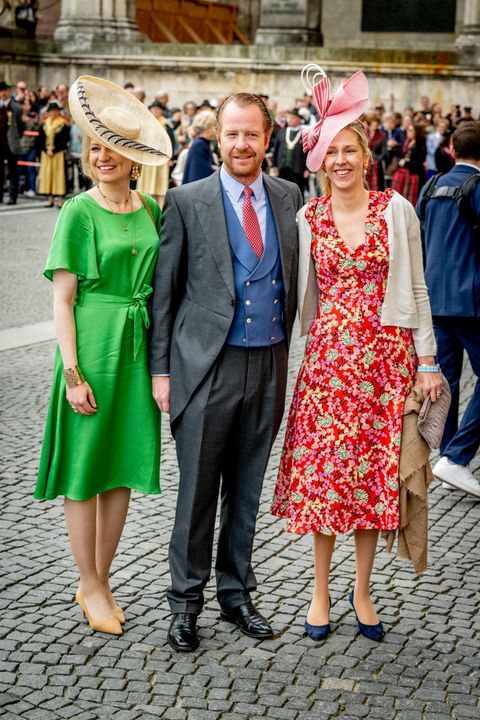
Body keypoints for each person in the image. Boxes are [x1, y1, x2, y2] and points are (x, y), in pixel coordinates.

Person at [271, 65, 441, 643]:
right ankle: (319, 593)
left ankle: (361, 590)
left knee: (370, 485)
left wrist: (428, 360)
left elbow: (417, 289)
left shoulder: (397, 210)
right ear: (318, 159)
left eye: (350, 150)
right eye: (331, 151)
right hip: (328, 367)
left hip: (385, 365)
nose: (341, 160)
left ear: (365, 156)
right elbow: (294, 293)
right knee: (325, 483)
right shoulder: (307, 218)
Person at [150, 92, 303, 652]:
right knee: (196, 494)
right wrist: (161, 371)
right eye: (231, 134)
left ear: (268, 139)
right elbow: (164, 295)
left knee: (246, 489)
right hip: (205, 367)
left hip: (268, 361)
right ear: (219, 138)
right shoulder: (186, 200)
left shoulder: (289, 197)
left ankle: (236, 594)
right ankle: (185, 603)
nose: (241, 145)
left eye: (251, 135)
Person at [34, 76, 172, 635]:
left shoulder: (150, 210)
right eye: (94, 147)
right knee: (86, 470)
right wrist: (72, 373)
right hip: (91, 347)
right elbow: (62, 301)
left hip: (136, 349)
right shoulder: (78, 212)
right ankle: (87, 582)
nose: (101, 156)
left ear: (133, 156)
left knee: (120, 468)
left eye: (112, 147)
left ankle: (102, 576)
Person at [416, 122, 480, 498]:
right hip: (469, 300)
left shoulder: (430, 186)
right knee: (449, 382)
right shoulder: (476, 187)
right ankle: (455, 458)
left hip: (434, 297)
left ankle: (447, 456)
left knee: (447, 382)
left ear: (451, 150)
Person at [136, 101, 174, 207]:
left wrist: (170, 157)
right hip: (147, 157)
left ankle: (160, 209)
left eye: (158, 109)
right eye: (153, 108)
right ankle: (144, 207)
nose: (155, 110)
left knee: (160, 186)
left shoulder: (166, 125)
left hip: (161, 158)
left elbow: (171, 142)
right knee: (145, 185)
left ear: (161, 111)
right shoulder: (145, 123)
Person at [37, 100, 70, 207]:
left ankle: (60, 200)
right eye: (51, 111)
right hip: (46, 153)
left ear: (58, 112)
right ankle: (50, 199)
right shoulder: (44, 124)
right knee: (47, 175)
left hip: (58, 153)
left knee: (58, 175)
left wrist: (54, 150)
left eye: (55, 111)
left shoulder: (63, 124)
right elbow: (40, 139)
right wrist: (46, 150)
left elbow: (65, 140)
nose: (53, 113)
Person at [272, 107, 309, 197]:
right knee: (282, 191)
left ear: (299, 119)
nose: (289, 120)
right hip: (283, 168)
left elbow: (308, 153)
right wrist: (274, 165)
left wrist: (308, 169)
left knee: (298, 192)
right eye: (288, 118)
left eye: (292, 118)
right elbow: (276, 150)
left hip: (298, 169)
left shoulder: (305, 134)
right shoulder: (282, 132)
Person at [0, 79, 24, 205]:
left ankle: (12, 196)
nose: (3, 93)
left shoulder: (16, 108)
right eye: (1, 91)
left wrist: (14, 138)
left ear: (9, 92)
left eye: (5, 91)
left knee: (13, 170)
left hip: (10, 143)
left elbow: (21, 127)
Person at [391, 123, 426, 205]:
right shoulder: (406, 142)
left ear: (416, 132)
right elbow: (398, 155)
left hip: (413, 175)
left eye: (410, 130)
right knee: (397, 199)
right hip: (401, 174)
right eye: (407, 130)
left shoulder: (421, 145)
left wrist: (406, 163)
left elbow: (420, 163)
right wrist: (400, 160)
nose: (408, 132)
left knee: (409, 202)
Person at [181, 109, 217, 184]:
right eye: (214, 125)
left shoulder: (202, 143)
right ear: (208, 126)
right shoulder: (200, 144)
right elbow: (199, 175)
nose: (216, 128)